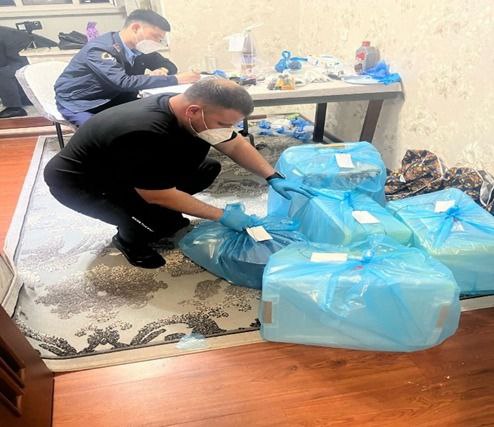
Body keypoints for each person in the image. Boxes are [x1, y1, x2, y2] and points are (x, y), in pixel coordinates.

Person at [44, 78, 312, 269]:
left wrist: (272, 176)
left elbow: (233, 143)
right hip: (83, 184)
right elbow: (157, 194)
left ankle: (150, 213)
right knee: (155, 225)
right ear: (193, 111)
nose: (227, 129)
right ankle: (128, 240)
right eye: (222, 123)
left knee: (207, 168)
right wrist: (222, 215)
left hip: (127, 169)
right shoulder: (142, 131)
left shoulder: (186, 106)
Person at [54, 9, 200, 127]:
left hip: (116, 96)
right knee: (99, 134)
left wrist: (163, 71)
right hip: (81, 102)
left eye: (161, 39)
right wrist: (176, 79)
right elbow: (123, 82)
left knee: (160, 115)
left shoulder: (141, 49)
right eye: (156, 36)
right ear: (136, 28)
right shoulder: (100, 49)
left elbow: (170, 66)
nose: (158, 42)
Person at [0, 26, 32, 118]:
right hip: (19, 52)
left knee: (3, 73)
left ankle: (14, 108)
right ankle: (24, 99)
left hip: (27, 54)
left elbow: (2, 62)